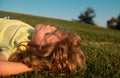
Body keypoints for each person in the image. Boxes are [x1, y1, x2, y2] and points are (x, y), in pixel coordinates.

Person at [0, 17, 86, 76]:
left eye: (47, 34)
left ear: (39, 50)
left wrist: (35, 65)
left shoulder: (20, 47)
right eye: (56, 30)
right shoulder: (34, 34)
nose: (50, 27)